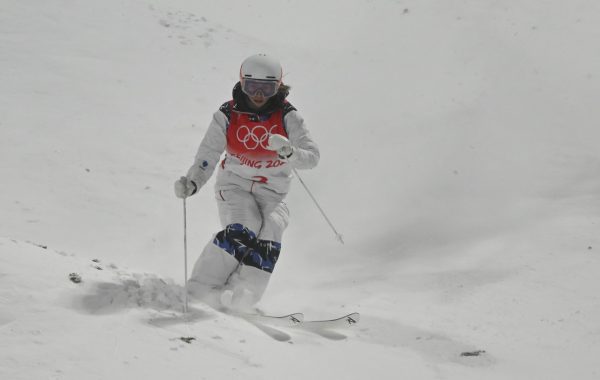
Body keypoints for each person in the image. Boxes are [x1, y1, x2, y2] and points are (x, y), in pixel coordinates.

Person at [174, 54, 320, 311]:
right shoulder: (227, 114)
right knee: (245, 225)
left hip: (272, 193)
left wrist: (290, 152)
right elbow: (208, 153)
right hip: (234, 185)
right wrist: (193, 181)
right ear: (242, 84)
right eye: (252, 87)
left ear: (278, 87)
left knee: (272, 227)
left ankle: (243, 295)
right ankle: (202, 288)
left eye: (267, 88)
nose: (259, 95)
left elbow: (312, 157)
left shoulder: (288, 116)